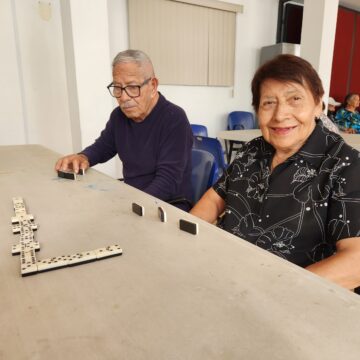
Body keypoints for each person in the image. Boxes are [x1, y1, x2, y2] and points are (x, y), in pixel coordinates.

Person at [191, 54, 360, 290]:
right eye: (268, 103)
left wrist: (276, 289)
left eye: (295, 99)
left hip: (295, 300)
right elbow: (214, 199)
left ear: (318, 104)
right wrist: (185, 240)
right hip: (225, 278)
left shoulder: (345, 164)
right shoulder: (253, 150)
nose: (280, 115)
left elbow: (355, 262)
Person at [55, 50, 193, 210]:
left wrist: (131, 207)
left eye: (133, 87)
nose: (123, 97)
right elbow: (103, 147)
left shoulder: (174, 118)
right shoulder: (119, 116)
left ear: (153, 85)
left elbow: (167, 182)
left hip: (168, 206)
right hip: (133, 196)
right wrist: (83, 156)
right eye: (117, 88)